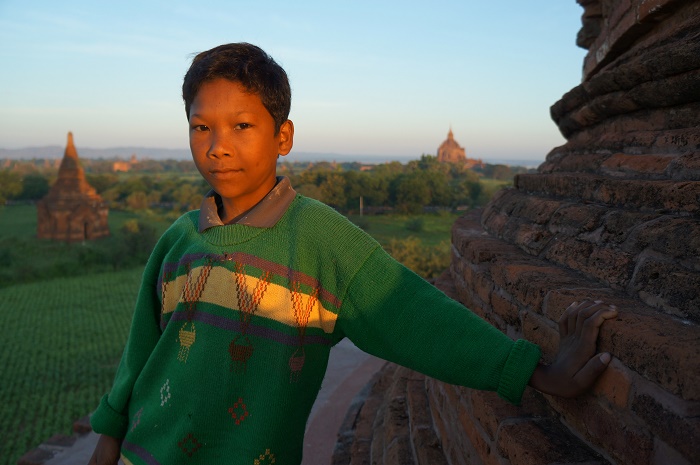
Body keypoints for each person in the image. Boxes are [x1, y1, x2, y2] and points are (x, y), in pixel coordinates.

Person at [88, 43, 617, 465]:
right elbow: (142, 351)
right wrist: (108, 439)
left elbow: (412, 314)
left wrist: (535, 371)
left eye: (241, 126)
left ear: (283, 136)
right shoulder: (178, 240)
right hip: (144, 452)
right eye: (202, 126)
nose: (217, 145)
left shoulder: (321, 241)